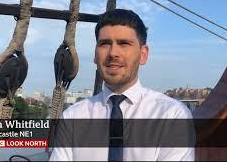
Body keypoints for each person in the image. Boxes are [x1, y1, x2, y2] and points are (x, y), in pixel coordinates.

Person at [49, 9, 194, 161]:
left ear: (143, 54)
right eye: (105, 44)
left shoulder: (172, 115)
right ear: (95, 55)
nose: (113, 53)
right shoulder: (73, 117)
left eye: (124, 43)